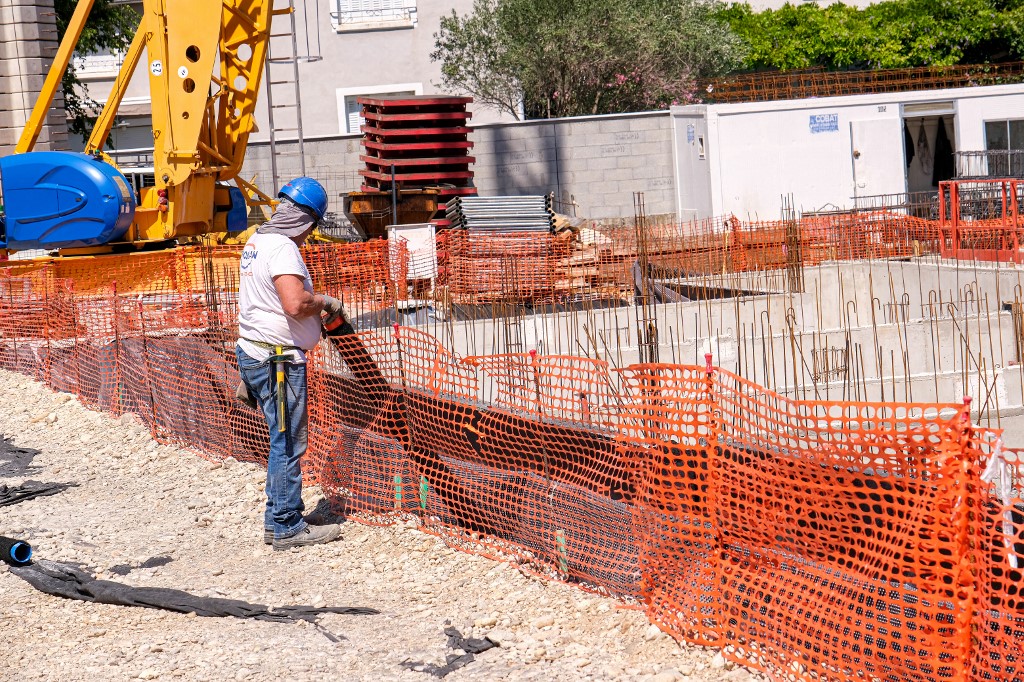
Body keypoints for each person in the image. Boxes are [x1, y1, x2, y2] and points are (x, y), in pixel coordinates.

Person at [235, 176, 346, 551]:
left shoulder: (256, 241)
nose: (308, 237)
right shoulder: (282, 248)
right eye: (312, 228)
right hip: (278, 361)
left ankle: (282, 514)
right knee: (287, 443)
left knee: (280, 440)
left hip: (255, 350)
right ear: (307, 220)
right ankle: (285, 525)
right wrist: (325, 302)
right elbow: (295, 304)